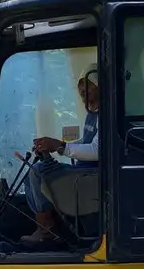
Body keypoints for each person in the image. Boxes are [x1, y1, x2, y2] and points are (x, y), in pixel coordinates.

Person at [19, 62, 100, 248]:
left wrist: (62, 147)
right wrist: (55, 146)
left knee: (39, 172)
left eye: (88, 87)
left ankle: (46, 229)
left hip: (94, 176)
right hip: (83, 172)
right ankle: (47, 226)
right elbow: (86, 143)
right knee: (32, 171)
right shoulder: (91, 113)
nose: (83, 93)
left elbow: (97, 150)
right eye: (80, 89)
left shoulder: (107, 114)